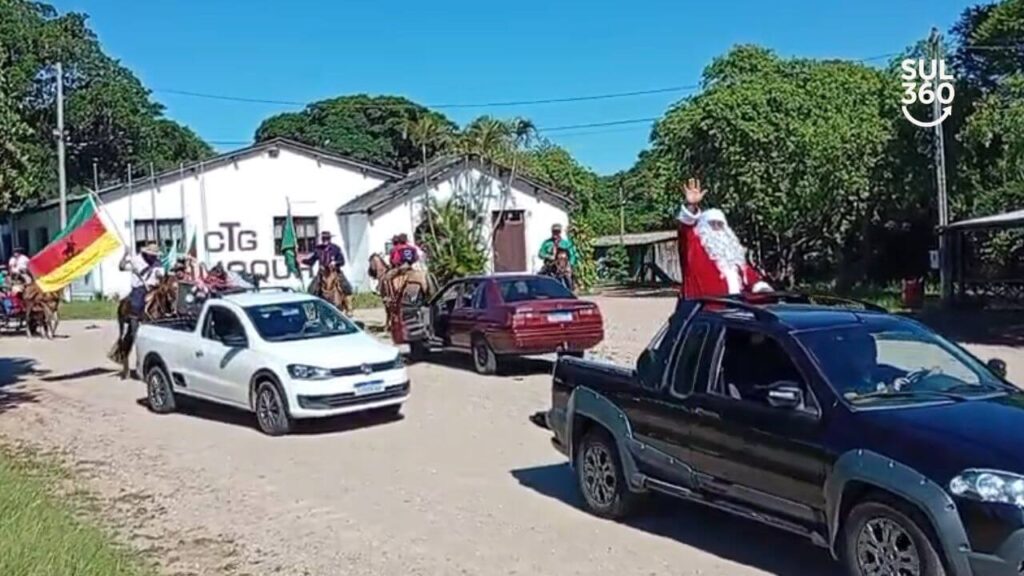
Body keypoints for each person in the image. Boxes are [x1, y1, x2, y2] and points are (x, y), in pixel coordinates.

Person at [676, 178, 772, 298]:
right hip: (704, 311)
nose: (716, 228)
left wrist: (762, 287)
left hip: (736, 310)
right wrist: (691, 205)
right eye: (711, 224)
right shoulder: (694, 246)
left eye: (720, 224)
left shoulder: (732, 255)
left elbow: (750, 277)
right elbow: (686, 229)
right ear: (702, 227)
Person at [120, 243, 165, 317]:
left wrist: (158, 275)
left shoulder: (158, 263)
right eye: (151, 255)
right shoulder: (136, 260)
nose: (153, 257)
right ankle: (135, 318)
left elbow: (161, 275)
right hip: (140, 288)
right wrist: (125, 255)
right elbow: (121, 267)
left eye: (155, 255)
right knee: (137, 305)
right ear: (147, 254)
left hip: (154, 288)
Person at [303, 231, 351, 295]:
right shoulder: (318, 249)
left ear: (330, 239)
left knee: (347, 288)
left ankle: (347, 303)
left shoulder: (336, 248)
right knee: (311, 289)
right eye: (324, 238)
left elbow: (342, 261)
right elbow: (311, 261)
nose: (325, 240)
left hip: (334, 272)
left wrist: (335, 263)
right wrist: (302, 261)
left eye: (327, 238)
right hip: (322, 273)